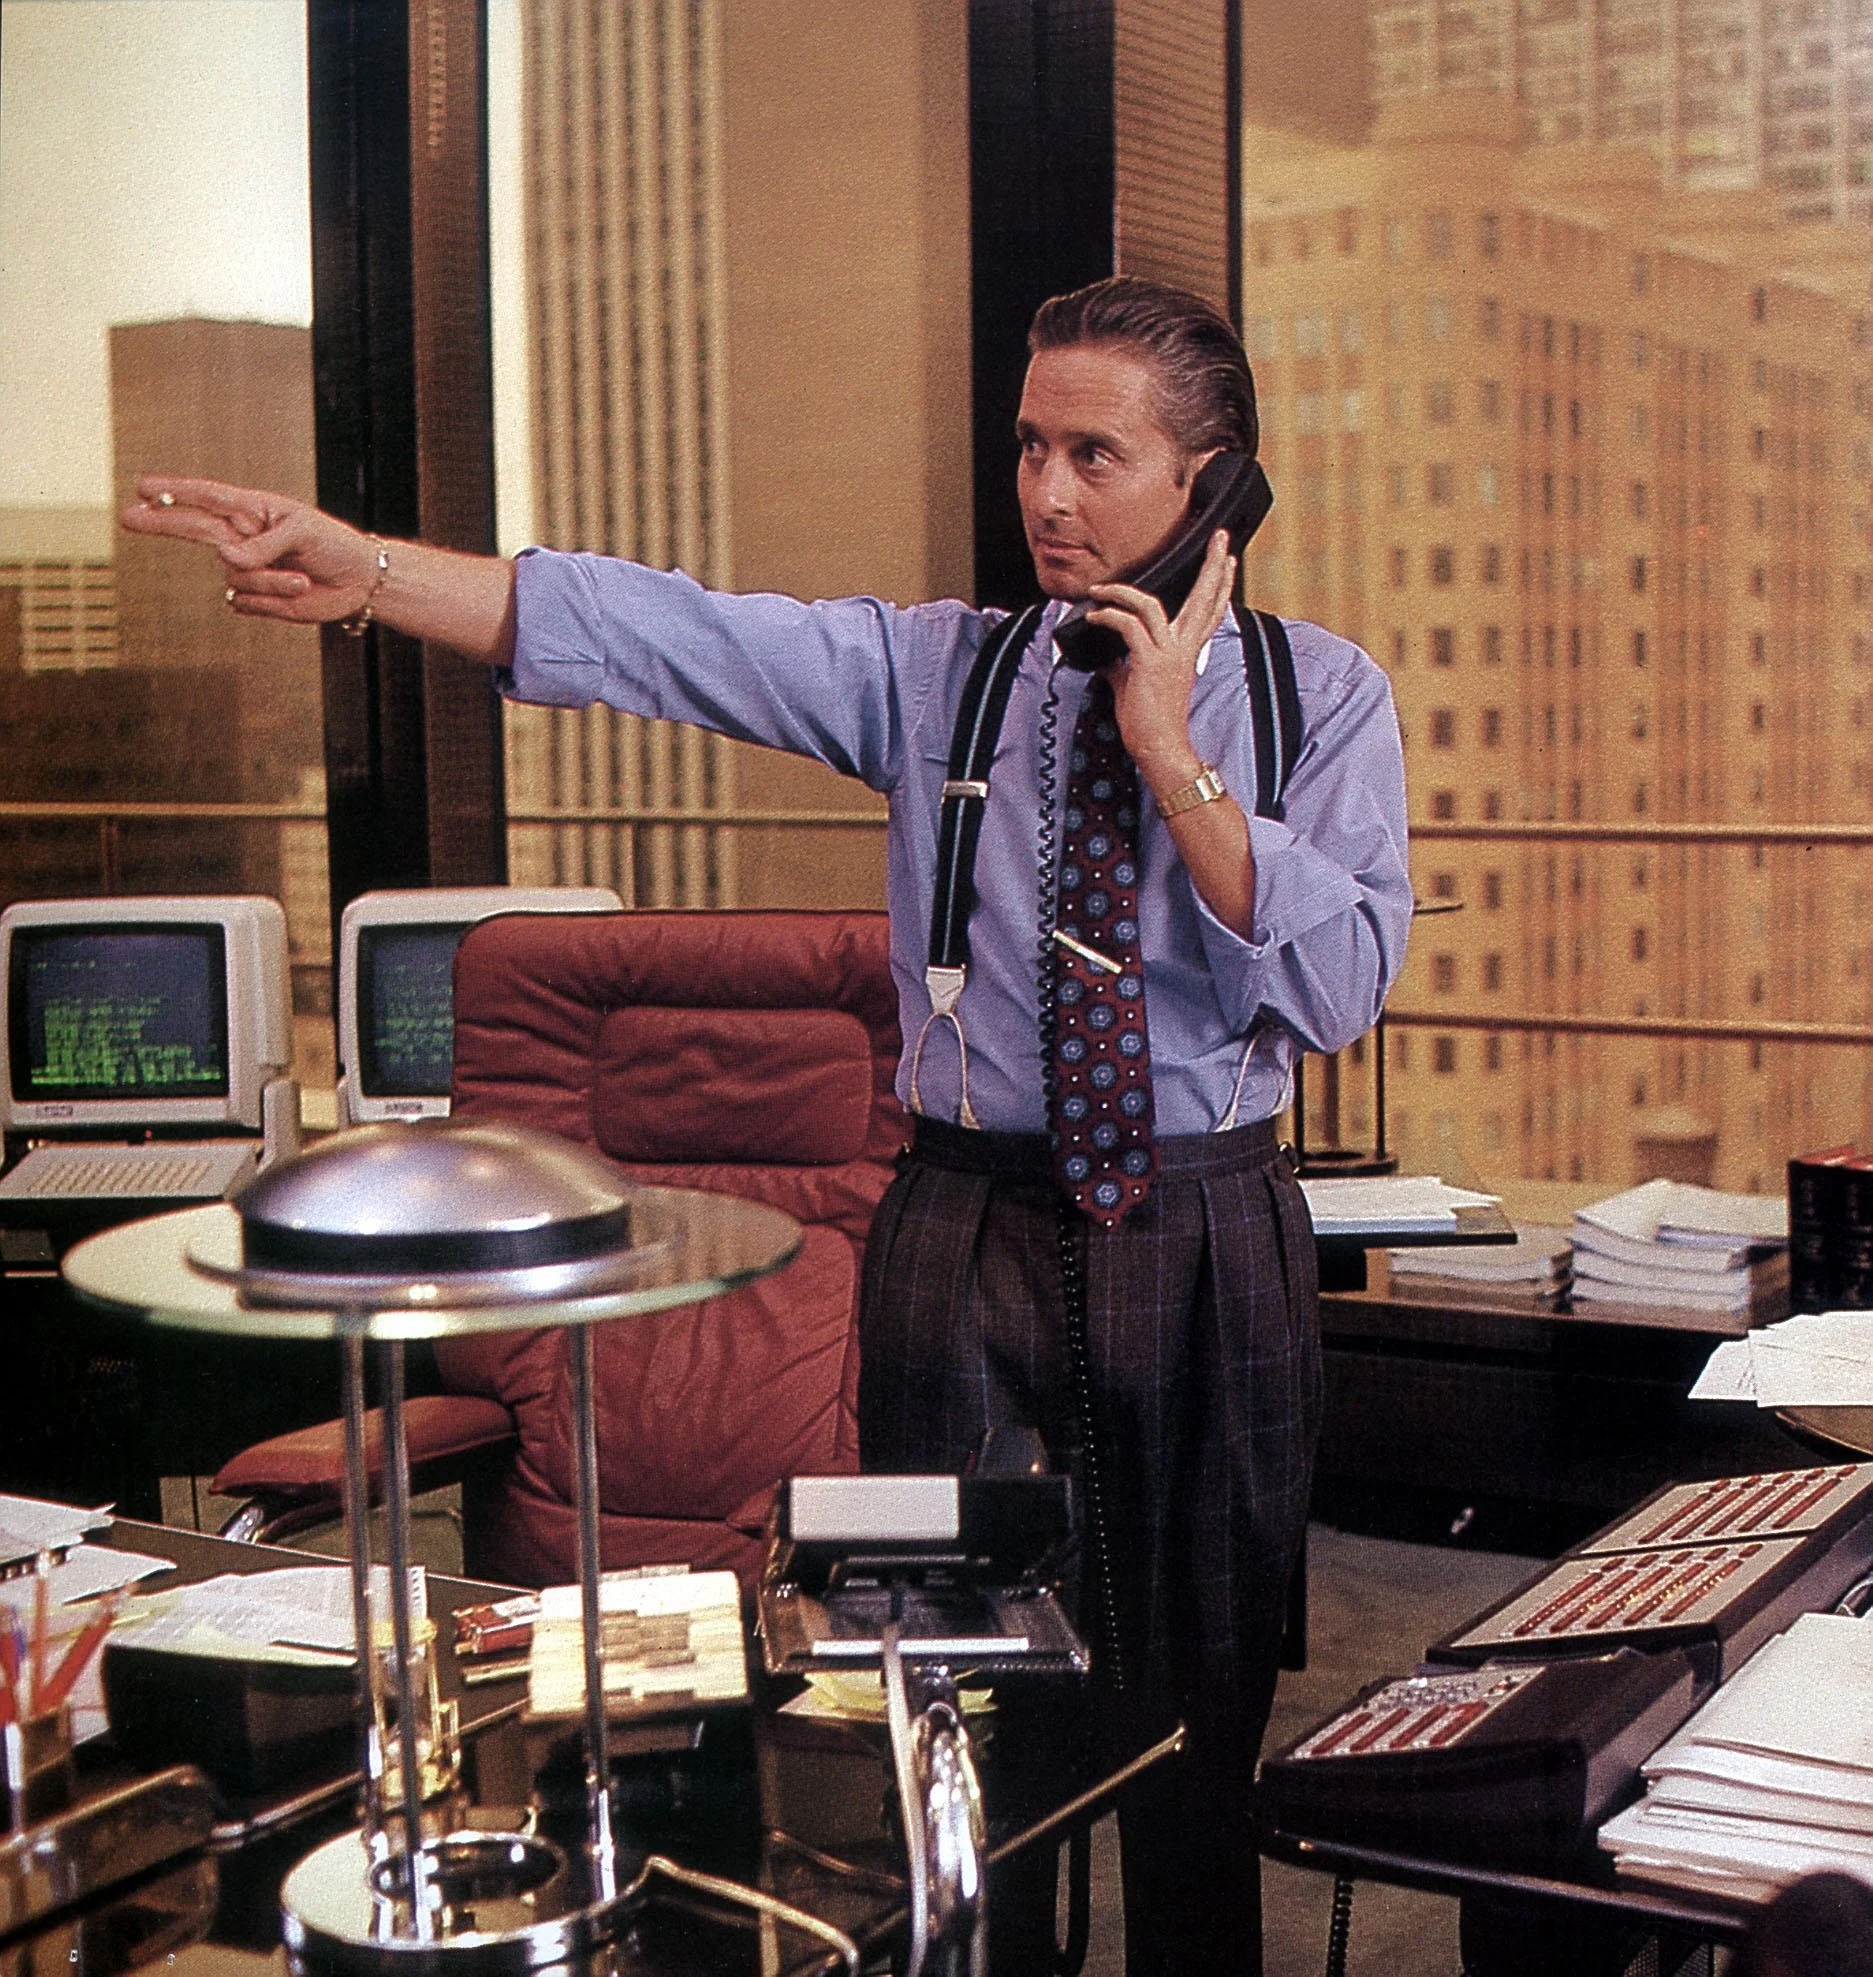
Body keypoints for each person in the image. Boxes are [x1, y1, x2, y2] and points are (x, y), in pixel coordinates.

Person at [123, 275, 1411, 1975]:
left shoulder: (1323, 699)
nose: (1045, 494)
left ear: (1213, 483)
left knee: (1200, 1719)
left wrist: (1169, 752)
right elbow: (657, 631)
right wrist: (371, 573)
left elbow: (1336, 987)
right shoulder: (934, 674)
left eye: (1097, 455)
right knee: (960, 1714)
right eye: (1030, 446)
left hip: (1207, 1229)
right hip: (966, 1233)